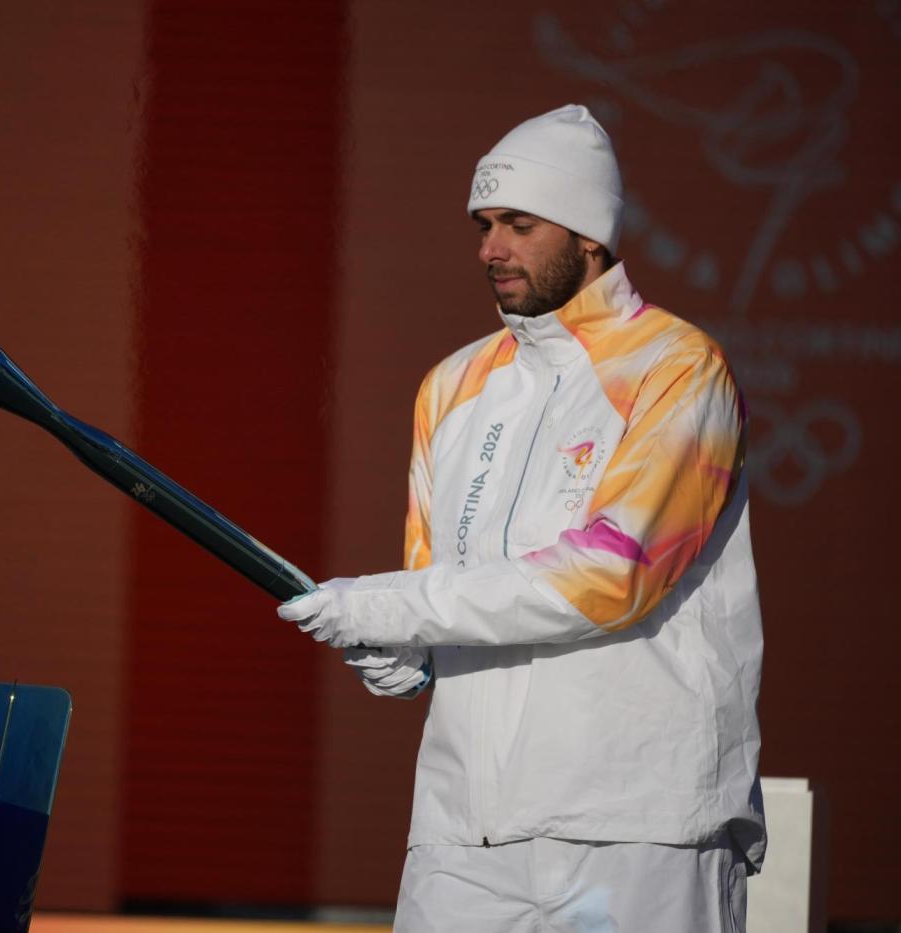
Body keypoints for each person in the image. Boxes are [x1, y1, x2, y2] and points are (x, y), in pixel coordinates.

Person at [278, 104, 764, 931]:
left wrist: (389, 605)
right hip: (463, 832)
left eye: (519, 224)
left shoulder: (679, 369)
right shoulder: (452, 386)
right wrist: (403, 654)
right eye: (484, 225)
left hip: (637, 825)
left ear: (590, 234)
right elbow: (437, 589)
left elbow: (614, 573)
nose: (490, 248)